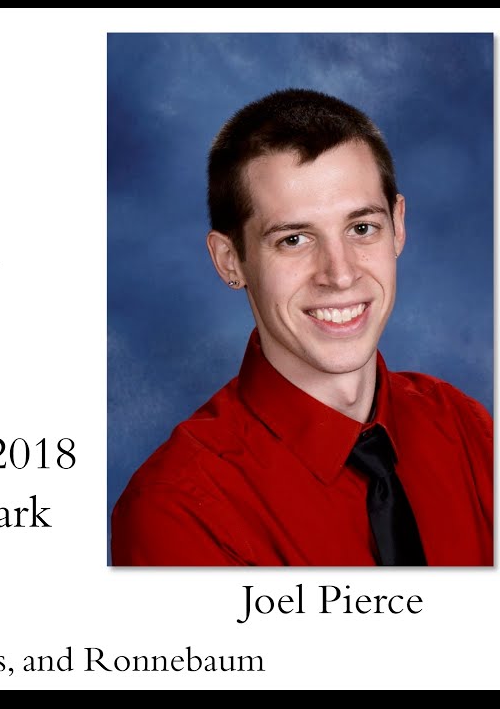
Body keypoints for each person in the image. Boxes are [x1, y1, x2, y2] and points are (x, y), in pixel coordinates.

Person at [111, 89, 492, 566]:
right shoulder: (177, 508)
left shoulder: (466, 429)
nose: (340, 273)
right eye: (294, 239)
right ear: (231, 261)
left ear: (397, 226)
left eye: (361, 228)